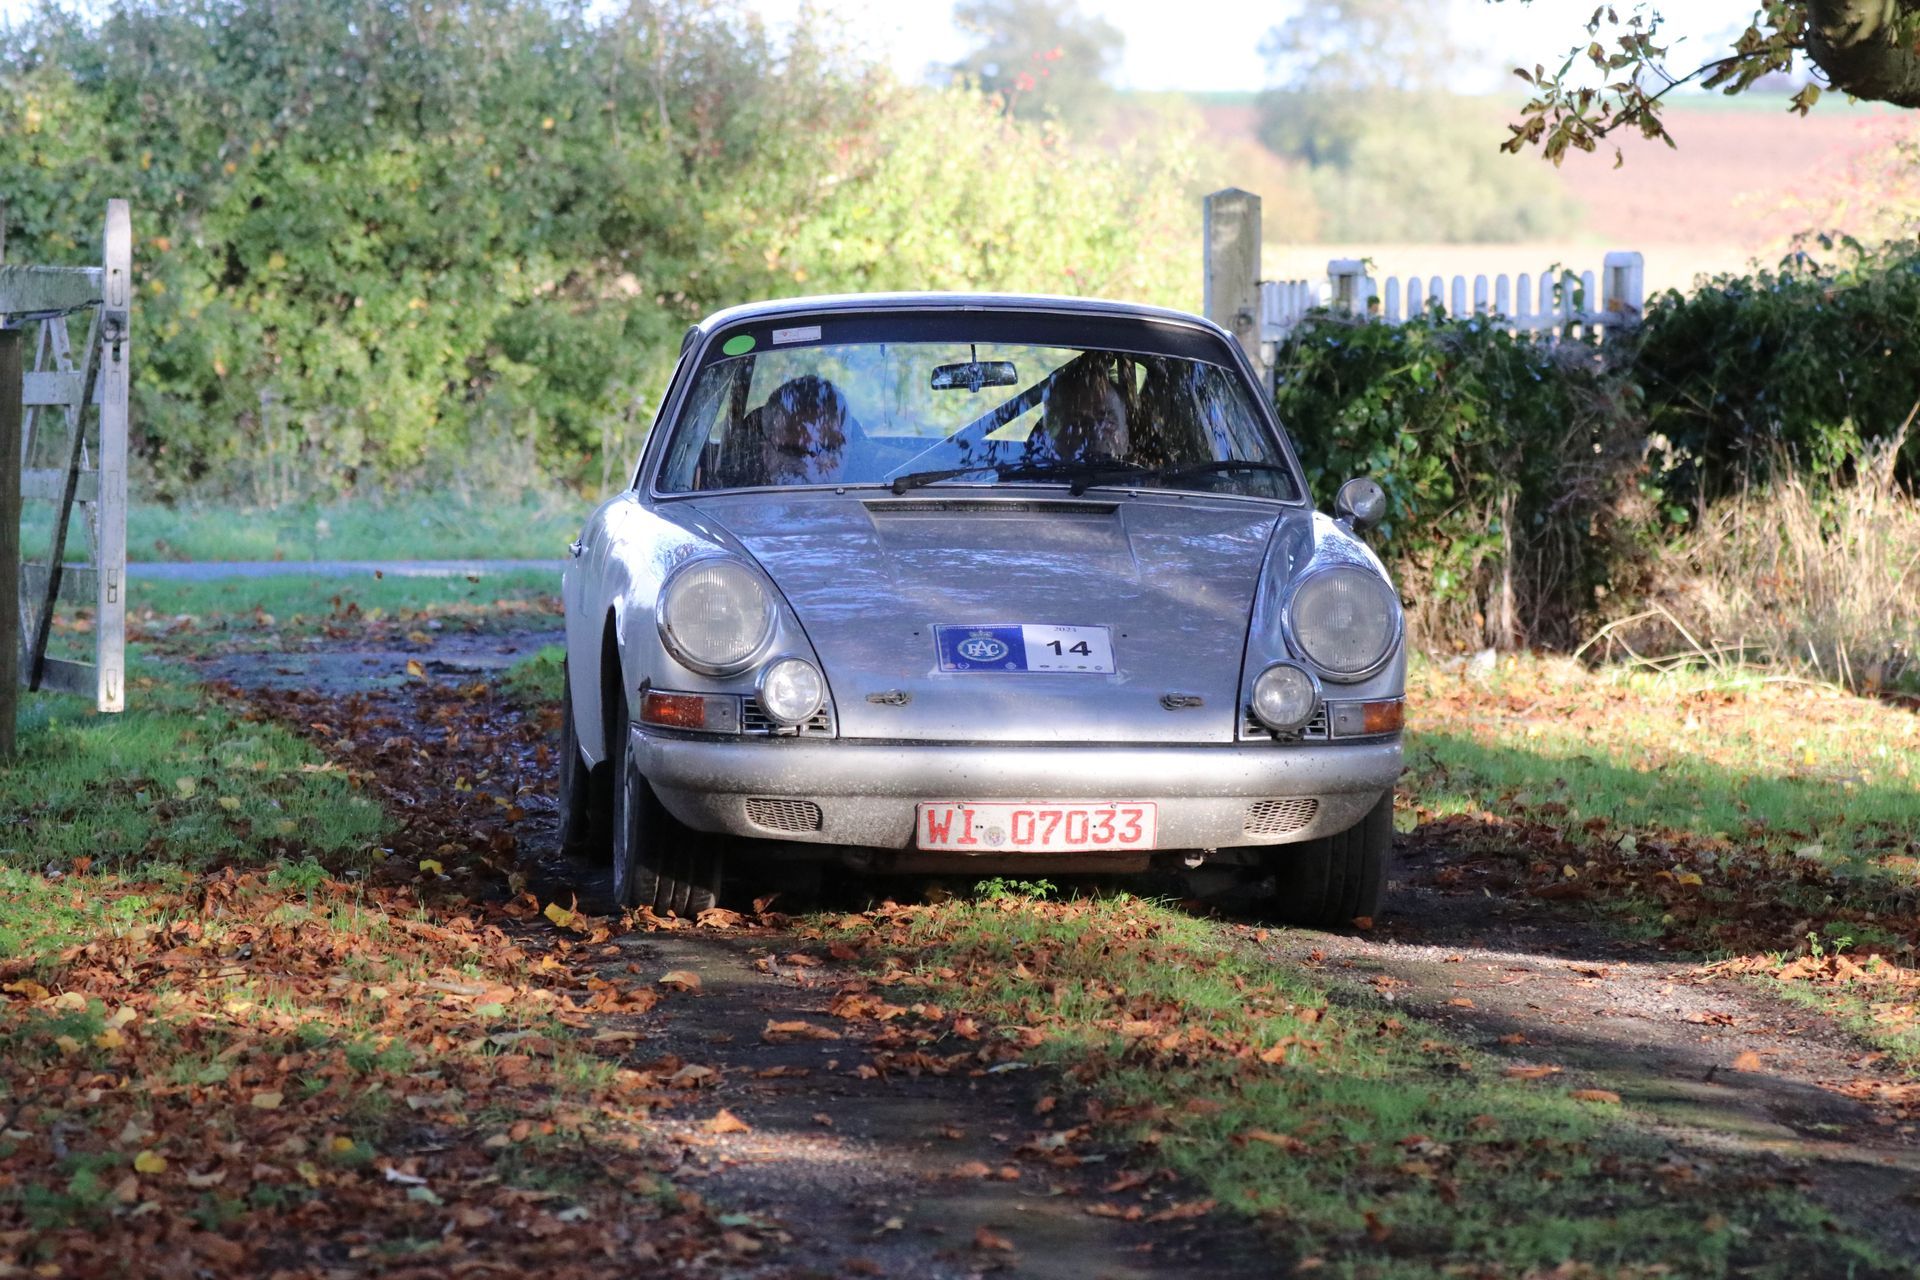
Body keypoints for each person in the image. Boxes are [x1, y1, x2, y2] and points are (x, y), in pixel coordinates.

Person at [746, 375, 850, 486]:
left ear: (847, 451)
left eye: (828, 448)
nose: (811, 465)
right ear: (766, 454)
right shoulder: (732, 500)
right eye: (796, 452)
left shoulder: (867, 494)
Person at [1038, 357, 1129, 464]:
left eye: (1107, 421)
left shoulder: (1147, 478)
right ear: (1058, 437)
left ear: (1125, 436)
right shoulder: (1032, 477)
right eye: (1077, 422)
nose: (1095, 432)